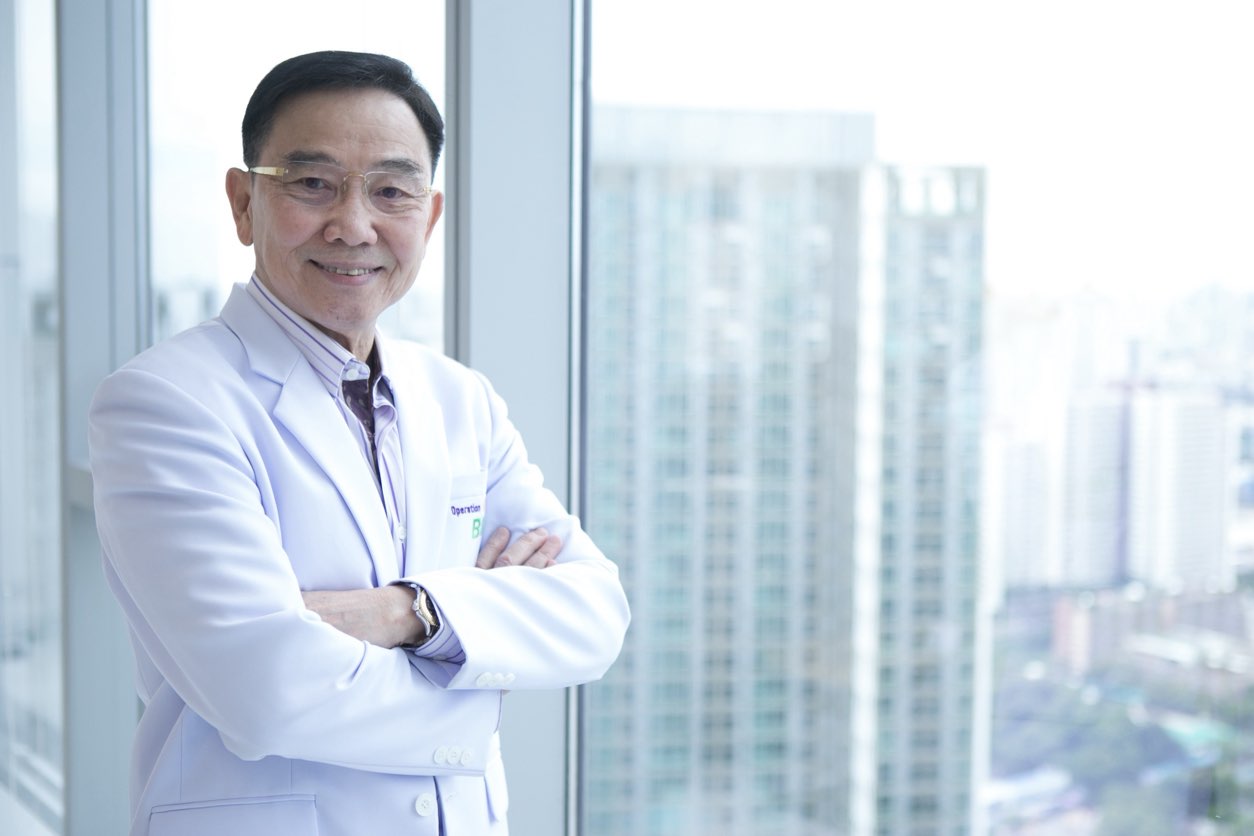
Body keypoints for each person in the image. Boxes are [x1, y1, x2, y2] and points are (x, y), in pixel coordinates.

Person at [88, 50, 630, 836]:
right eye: (311, 183)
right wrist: (485, 662)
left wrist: (410, 614)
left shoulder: (460, 400)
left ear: (429, 217)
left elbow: (594, 613)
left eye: (390, 191)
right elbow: (266, 690)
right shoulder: (166, 402)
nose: (353, 225)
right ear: (243, 203)